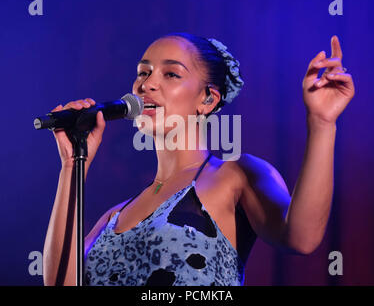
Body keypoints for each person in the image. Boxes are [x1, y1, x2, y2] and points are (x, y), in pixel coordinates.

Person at [43, 32, 355, 286]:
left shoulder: (236, 175)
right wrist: (72, 165)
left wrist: (321, 123)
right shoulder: (111, 218)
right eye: (143, 72)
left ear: (208, 99)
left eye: (171, 74)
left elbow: (301, 237)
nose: (147, 84)